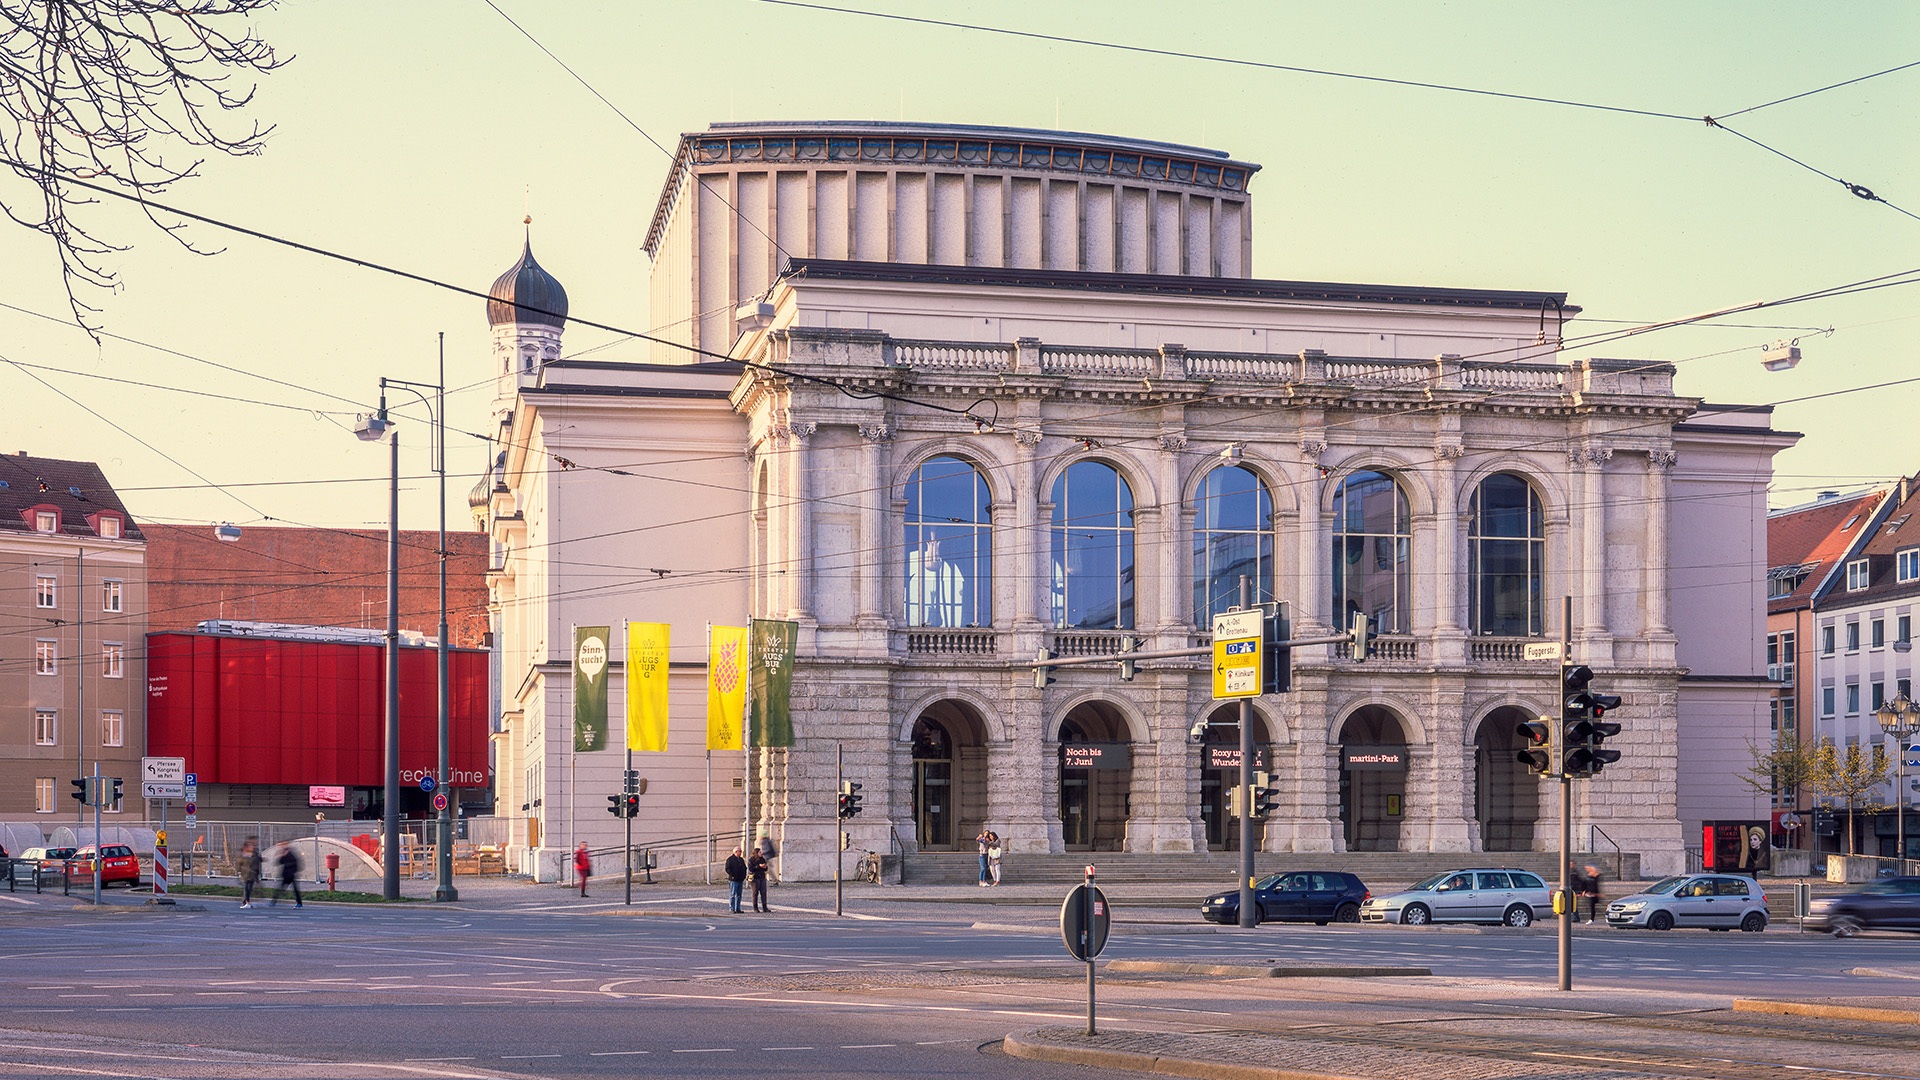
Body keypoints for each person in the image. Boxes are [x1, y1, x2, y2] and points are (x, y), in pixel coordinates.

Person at [270, 841, 302, 908]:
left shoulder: (291, 854)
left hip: (291, 874)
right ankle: (273, 901)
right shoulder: (283, 853)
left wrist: (293, 870)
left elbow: (295, 863)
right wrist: (281, 855)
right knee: (281, 888)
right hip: (286, 874)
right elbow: (278, 862)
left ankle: (299, 903)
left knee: (294, 889)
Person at [238, 836, 263, 909]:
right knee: (247, 888)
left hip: (253, 874)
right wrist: (239, 870)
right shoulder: (245, 854)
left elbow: (258, 861)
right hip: (246, 874)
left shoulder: (255, 854)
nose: (252, 847)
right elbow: (241, 863)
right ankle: (247, 902)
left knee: (249, 888)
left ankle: (246, 902)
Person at [724, 847, 748, 913]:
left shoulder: (741, 859)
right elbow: (727, 869)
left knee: (739, 895)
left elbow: (744, 868)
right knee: (732, 894)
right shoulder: (730, 859)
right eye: (739, 851)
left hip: (740, 879)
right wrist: (733, 875)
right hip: (734, 880)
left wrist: (744, 875)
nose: (740, 852)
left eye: (741, 851)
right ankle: (732, 908)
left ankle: (738, 908)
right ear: (735, 852)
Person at [747, 846, 771, 913]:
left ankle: (764, 907)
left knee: (763, 892)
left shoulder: (762, 859)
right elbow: (751, 868)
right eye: (760, 852)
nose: (761, 853)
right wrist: (758, 866)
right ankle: (755, 907)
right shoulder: (751, 860)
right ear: (756, 853)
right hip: (755, 878)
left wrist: (765, 867)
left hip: (762, 877)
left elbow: (765, 869)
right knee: (755, 893)